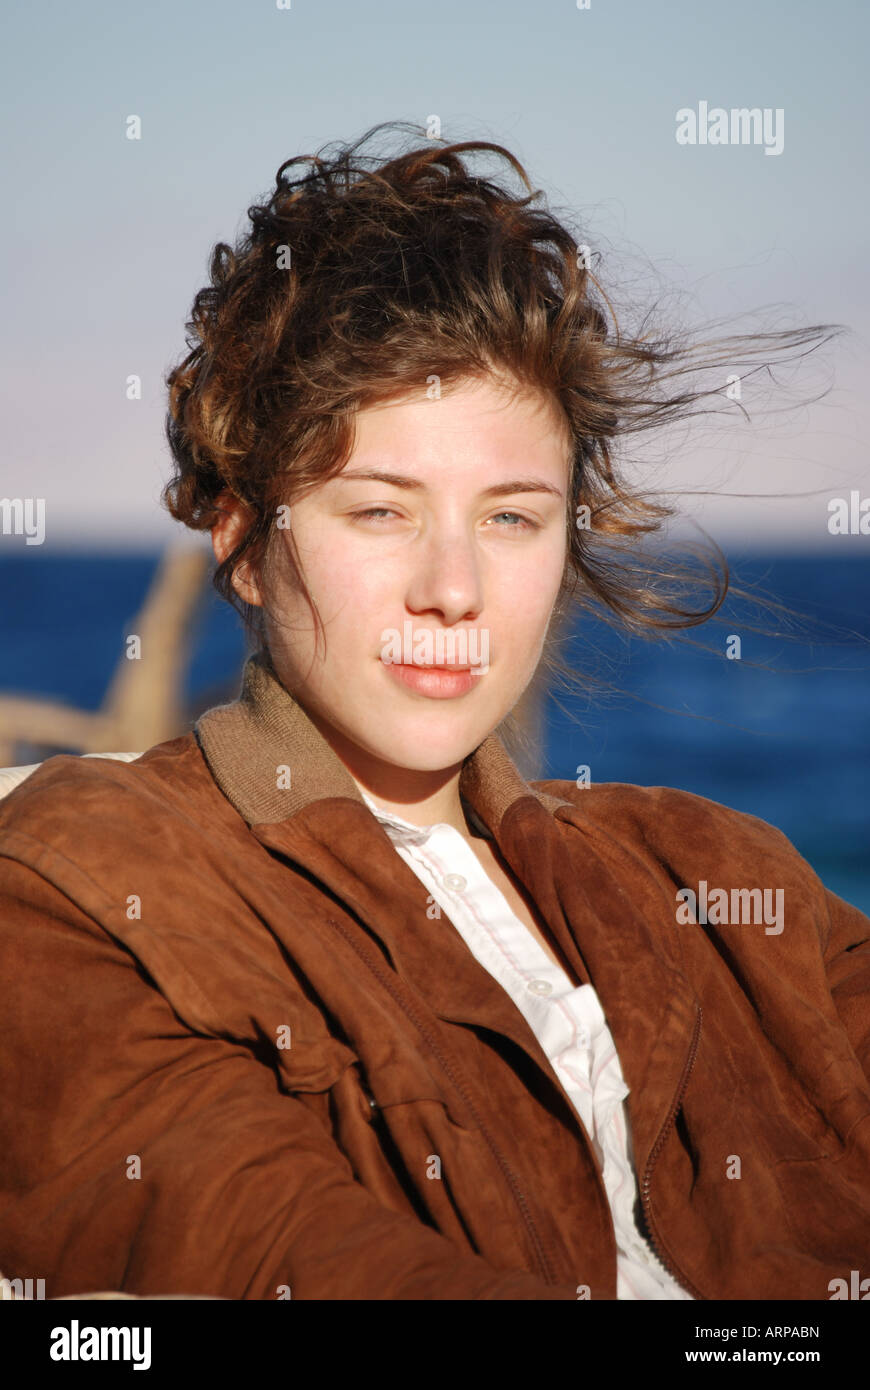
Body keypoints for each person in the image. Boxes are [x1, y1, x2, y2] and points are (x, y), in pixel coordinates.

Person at [0, 121, 867, 1302]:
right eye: (380, 511)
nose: (453, 589)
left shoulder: (717, 868)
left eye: (511, 516)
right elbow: (273, 1247)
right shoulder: (81, 877)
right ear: (246, 540)